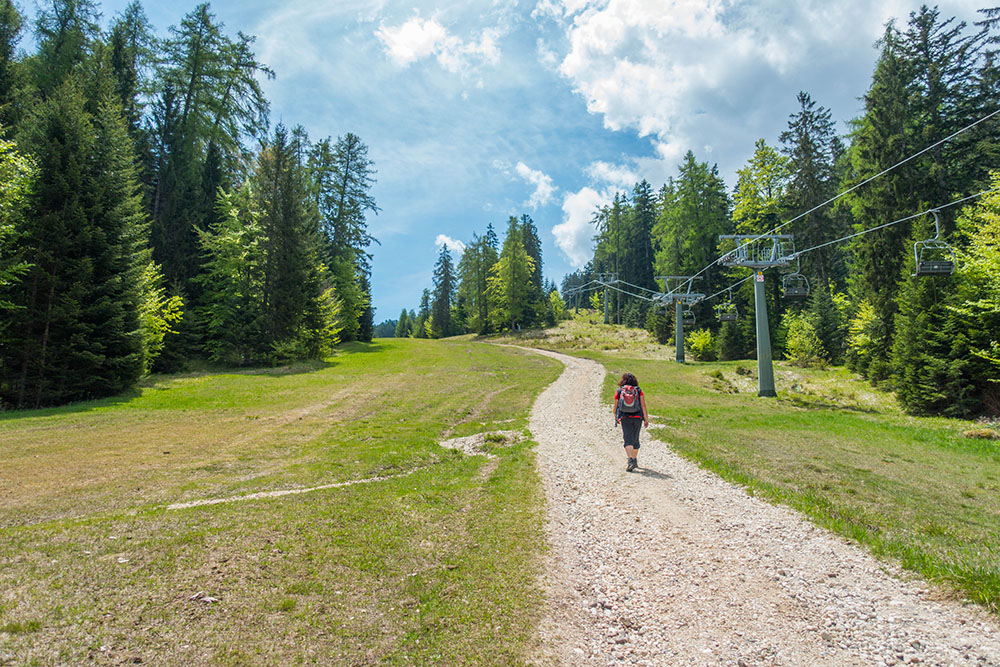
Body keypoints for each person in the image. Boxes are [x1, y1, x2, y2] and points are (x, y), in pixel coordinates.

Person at [614, 372, 648, 472]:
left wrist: (616, 417)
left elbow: (615, 407)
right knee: (635, 438)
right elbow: (643, 405)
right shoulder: (638, 391)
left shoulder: (619, 391)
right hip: (637, 417)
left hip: (625, 417)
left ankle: (630, 460)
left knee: (627, 438)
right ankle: (634, 459)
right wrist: (646, 418)